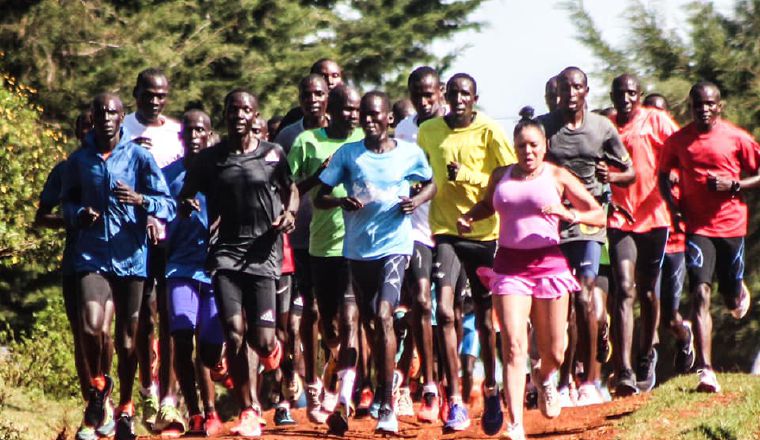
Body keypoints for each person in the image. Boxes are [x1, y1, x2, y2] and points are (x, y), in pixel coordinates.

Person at [458, 119, 605, 440]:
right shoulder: (502, 175)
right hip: (509, 266)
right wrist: (469, 216)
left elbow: (599, 214)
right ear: (515, 147)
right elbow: (487, 204)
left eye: (534, 145)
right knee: (512, 347)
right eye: (522, 145)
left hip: (549, 265)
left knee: (556, 351)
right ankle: (516, 424)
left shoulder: (557, 175)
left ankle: (543, 376)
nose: (528, 151)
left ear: (544, 147)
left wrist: (573, 215)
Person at [314, 91, 435, 434]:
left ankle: (387, 405)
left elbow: (430, 184)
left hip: (395, 248)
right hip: (356, 253)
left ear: (388, 120)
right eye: (364, 115)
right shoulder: (349, 155)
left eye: (375, 115)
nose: (369, 121)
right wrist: (340, 201)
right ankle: (362, 391)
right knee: (361, 324)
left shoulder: (409, 154)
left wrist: (416, 200)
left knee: (383, 316)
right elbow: (320, 195)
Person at [179, 89, 297, 437]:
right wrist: (187, 204)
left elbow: (291, 189)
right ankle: (249, 409)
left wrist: (289, 213)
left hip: (263, 255)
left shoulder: (273, 154)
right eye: (233, 109)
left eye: (246, 109)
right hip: (225, 255)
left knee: (261, 341)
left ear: (255, 114)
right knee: (234, 331)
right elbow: (186, 192)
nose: (239, 114)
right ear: (226, 115)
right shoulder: (211, 160)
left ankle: (273, 350)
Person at [62, 93, 175, 440]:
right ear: (93, 117)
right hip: (91, 255)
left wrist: (142, 201)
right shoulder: (80, 159)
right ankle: (99, 386)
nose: (107, 117)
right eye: (101, 112)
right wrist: (78, 215)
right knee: (92, 326)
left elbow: (166, 204)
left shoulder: (139, 157)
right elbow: (66, 201)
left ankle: (125, 406)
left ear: (122, 117)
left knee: (128, 343)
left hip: (130, 259)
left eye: (113, 112)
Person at [417, 73, 515, 434]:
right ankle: (454, 400)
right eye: (454, 93)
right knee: (443, 310)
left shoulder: (489, 130)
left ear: (475, 98)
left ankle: (491, 388)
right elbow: (422, 170)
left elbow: (506, 174)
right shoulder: (429, 130)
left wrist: (470, 176)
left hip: (485, 235)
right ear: (445, 95)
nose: (459, 99)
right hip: (444, 232)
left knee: (488, 321)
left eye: (466, 94)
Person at [536, 66, 635, 404]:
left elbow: (630, 171)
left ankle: (590, 382)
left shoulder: (602, 127)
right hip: (554, 224)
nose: (572, 92)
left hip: (590, 222)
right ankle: (563, 382)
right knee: (557, 306)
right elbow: (525, 163)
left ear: (586, 90)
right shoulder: (545, 127)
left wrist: (612, 177)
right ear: (558, 92)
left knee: (583, 296)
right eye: (566, 87)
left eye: (578, 86)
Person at [659, 81, 759, 393]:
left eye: (709, 104)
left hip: (731, 226)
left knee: (730, 299)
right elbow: (663, 176)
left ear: (720, 106)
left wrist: (735, 185)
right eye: (697, 104)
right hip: (697, 228)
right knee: (700, 293)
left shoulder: (736, 138)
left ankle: (736, 290)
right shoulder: (678, 141)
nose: (703, 109)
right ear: (690, 107)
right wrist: (674, 208)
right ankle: (706, 369)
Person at [287, 84, 364, 426]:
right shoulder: (308, 142)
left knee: (350, 319)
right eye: (346, 108)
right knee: (328, 326)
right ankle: (327, 366)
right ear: (330, 109)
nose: (352, 115)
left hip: (358, 244)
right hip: (317, 243)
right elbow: (288, 188)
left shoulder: (367, 140)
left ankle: (343, 397)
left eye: (356, 109)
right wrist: (319, 175)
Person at [36, 110, 113, 440]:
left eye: (93, 127)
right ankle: (92, 406)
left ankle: (108, 400)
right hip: (76, 262)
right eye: (83, 128)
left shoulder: (118, 166)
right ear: (76, 133)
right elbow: (42, 217)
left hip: (115, 263)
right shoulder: (66, 169)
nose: (88, 133)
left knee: (104, 331)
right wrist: (73, 221)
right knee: (83, 336)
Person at [606, 74, 679, 395]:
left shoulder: (656, 120)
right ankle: (623, 370)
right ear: (612, 95)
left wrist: (675, 178)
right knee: (623, 288)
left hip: (654, 217)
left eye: (631, 94)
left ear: (639, 96)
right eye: (620, 94)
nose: (625, 99)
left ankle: (646, 355)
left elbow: (681, 150)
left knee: (649, 292)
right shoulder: (605, 125)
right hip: (620, 218)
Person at [121, 68, 184, 431]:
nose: (154, 100)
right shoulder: (123, 127)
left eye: (161, 95)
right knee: (144, 316)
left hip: (173, 236)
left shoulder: (176, 133)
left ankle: (169, 401)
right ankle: (147, 388)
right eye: (148, 94)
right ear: (136, 93)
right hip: (131, 236)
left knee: (171, 313)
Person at [160, 110, 225, 437]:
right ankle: (198, 414)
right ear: (181, 137)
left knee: (210, 349)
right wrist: (177, 211)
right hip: (180, 267)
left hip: (216, 269)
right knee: (182, 338)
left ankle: (220, 365)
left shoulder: (222, 172)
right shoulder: (168, 174)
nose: (196, 136)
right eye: (190, 131)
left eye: (202, 130)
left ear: (210, 134)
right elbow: (156, 213)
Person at [394, 66, 446, 422]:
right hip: (416, 229)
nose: (424, 102)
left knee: (449, 312)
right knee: (421, 301)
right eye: (417, 95)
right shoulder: (403, 129)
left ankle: (449, 381)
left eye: (429, 94)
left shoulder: (456, 122)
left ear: (440, 91)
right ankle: (428, 384)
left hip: (454, 228)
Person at [276, 59, 344, 136]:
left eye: (335, 76)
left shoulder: (350, 113)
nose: (330, 81)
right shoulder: (295, 116)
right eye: (323, 76)